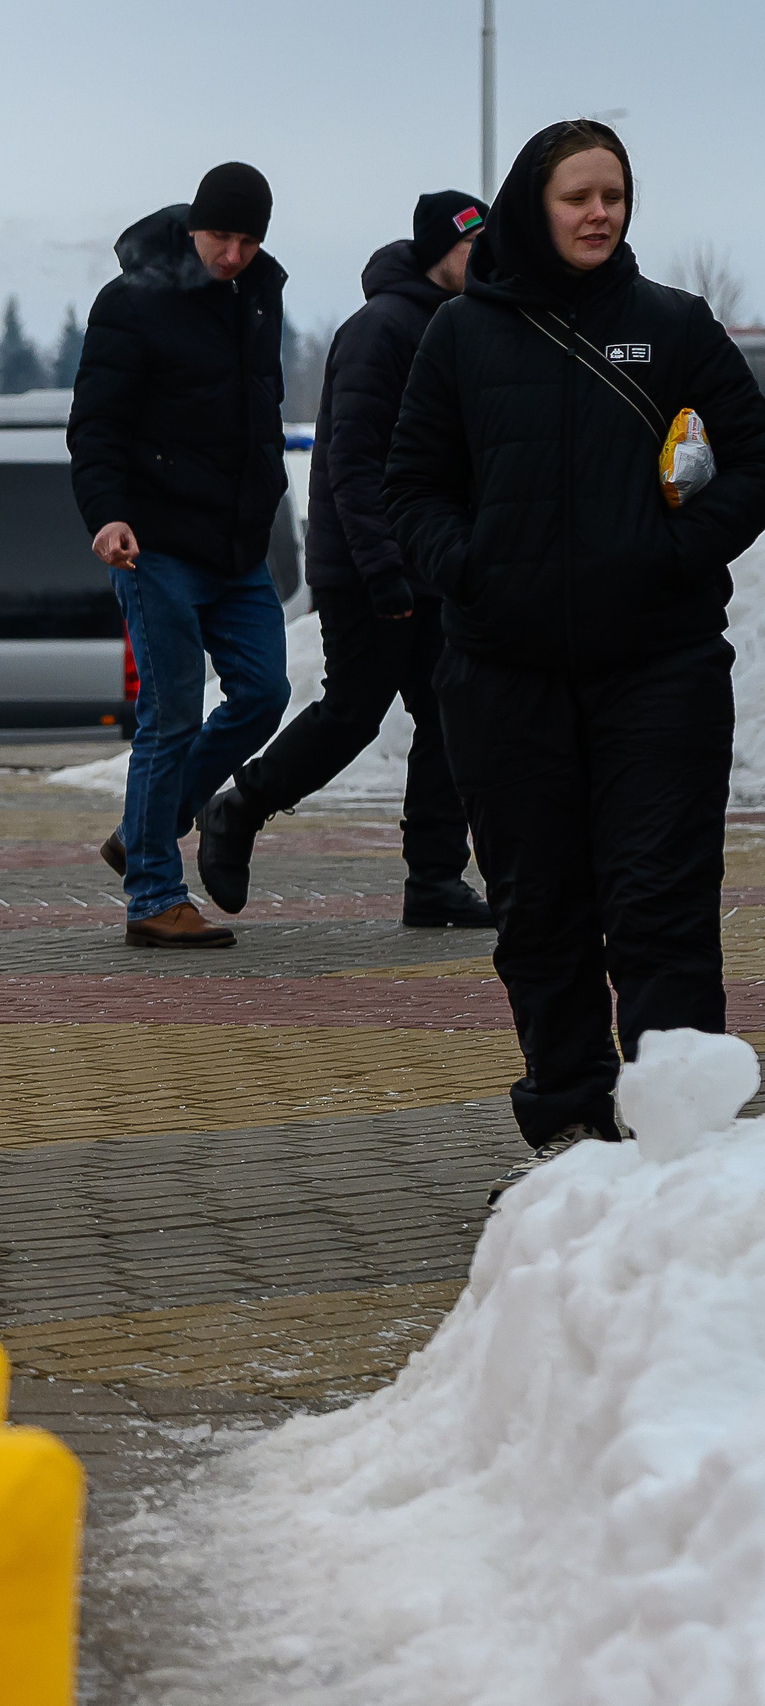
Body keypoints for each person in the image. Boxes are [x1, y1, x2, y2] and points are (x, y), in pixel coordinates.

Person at [386, 119, 765, 1197]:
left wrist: (673, 553)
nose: (600, 213)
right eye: (577, 196)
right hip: (503, 676)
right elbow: (411, 485)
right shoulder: (460, 334)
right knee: (540, 907)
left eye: (614, 195)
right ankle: (569, 1128)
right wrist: (471, 568)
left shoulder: (672, 324)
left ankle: (677, 1147)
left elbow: (752, 458)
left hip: (660, 668)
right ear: (531, 205)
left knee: (659, 904)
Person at [196, 192, 495, 928]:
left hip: (433, 561)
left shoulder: (463, 323)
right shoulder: (381, 328)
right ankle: (239, 806)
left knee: (452, 716)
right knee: (354, 712)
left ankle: (434, 879)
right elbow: (352, 462)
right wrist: (383, 567)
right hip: (369, 567)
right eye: (473, 245)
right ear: (438, 250)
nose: (487, 258)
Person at [69, 162, 292, 949]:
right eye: (220, 237)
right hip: (155, 543)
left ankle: (145, 828)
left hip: (238, 545)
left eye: (248, 241)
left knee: (264, 693)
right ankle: (154, 896)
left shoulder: (260, 295)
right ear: (194, 226)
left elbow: (262, 411)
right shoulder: (133, 301)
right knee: (170, 715)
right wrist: (107, 516)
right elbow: (95, 425)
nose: (232, 255)